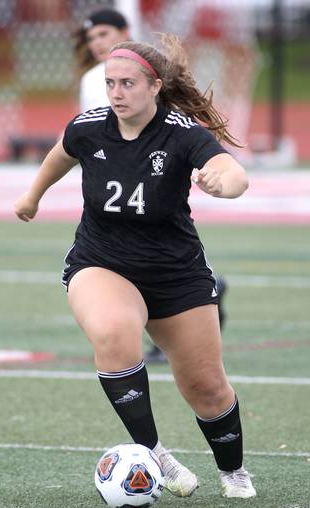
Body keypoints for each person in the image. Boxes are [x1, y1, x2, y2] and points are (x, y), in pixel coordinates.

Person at [14, 34, 256, 498]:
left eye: (127, 84)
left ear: (155, 86)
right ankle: (154, 454)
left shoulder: (183, 132)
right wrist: (32, 196)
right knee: (112, 332)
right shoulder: (89, 127)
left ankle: (234, 473)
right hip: (101, 262)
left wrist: (221, 185)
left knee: (206, 386)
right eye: (110, 84)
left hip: (176, 272)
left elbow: (234, 173)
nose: (117, 93)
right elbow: (61, 153)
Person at [74, 7, 230, 365]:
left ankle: (187, 304)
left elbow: (168, 131)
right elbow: (88, 134)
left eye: (103, 35)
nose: (96, 44)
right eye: (91, 38)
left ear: (125, 32)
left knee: (162, 247)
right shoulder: (91, 82)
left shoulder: (146, 76)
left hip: (152, 183)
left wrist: (217, 177)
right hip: (116, 186)